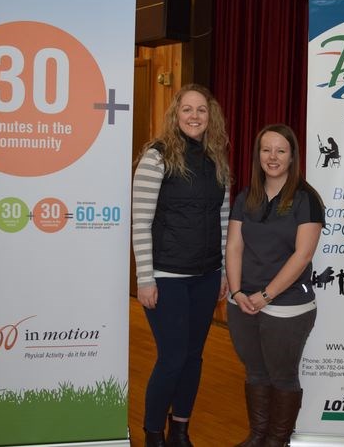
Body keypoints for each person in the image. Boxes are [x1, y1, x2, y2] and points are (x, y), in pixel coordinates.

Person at [131, 83, 231, 447]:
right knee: (172, 358)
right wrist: (146, 278)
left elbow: (224, 218)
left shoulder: (216, 159)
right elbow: (140, 221)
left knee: (193, 357)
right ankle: (153, 433)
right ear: (175, 115)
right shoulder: (156, 157)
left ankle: (181, 432)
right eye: (186, 109)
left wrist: (221, 271)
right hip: (167, 276)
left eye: (201, 110)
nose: (194, 116)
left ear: (210, 116)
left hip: (205, 277)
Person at [226, 123, 325, 447]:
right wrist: (238, 291)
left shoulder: (306, 199)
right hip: (243, 302)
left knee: (282, 375)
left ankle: (277, 440)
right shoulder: (246, 196)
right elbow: (235, 247)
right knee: (255, 371)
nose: (272, 156)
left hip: (287, 304)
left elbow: (302, 255)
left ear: (292, 156)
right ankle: (258, 435)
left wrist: (266, 295)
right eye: (266, 149)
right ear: (258, 155)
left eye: (280, 150)